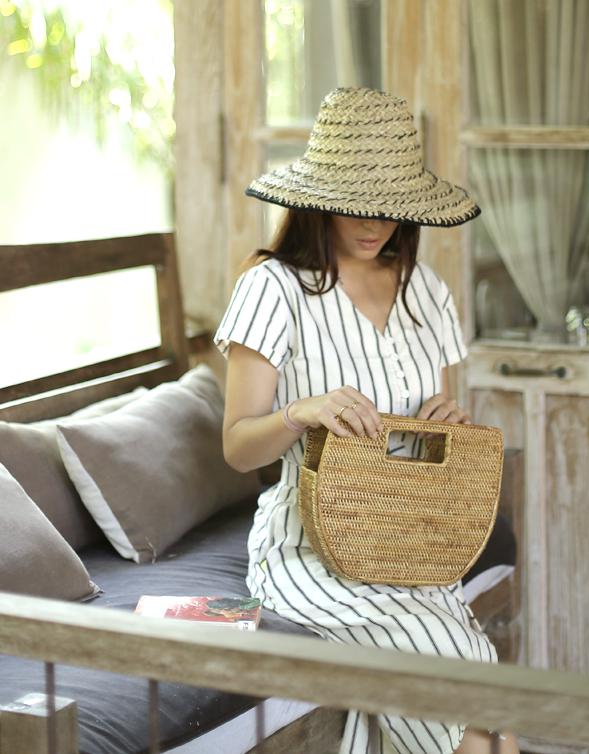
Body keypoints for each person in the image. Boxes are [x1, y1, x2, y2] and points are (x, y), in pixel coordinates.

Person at [214, 87, 519, 754]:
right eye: (354, 201)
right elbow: (238, 448)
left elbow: (419, 448)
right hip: (311, 546)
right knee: (459, 695)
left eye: (387, 204)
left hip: (408, 539)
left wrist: (443, 426)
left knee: (475, 689)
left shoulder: (422, 290)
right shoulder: (273, 290)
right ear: (317, 196)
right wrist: (301, 411)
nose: (371, 220)